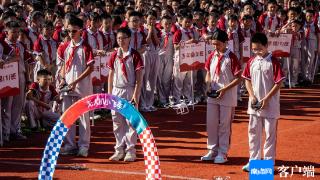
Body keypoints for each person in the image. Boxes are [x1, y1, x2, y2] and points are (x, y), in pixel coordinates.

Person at [241, 32, 285, 171]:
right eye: (254, 49)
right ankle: (253, 161)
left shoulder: (273, 61)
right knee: (253, 133)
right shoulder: (251, 61)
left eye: (260, 49)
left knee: (269, 135)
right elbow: (247, 80)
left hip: (270, 105)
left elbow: (278, 83)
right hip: (254, 104)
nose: (257, 52)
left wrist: (266, 99)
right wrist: (252, 96)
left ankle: (267, 164)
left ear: (266, 45)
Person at [201, 29, 242, 164]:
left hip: (227, 95)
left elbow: (238, 78)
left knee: (224, 125)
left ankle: (223, 152)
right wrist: (207, 85)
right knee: (211, 123)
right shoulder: (212, 55)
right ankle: (212, 150)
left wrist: (225, 89)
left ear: (225, 43)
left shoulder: (232, 57)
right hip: (213, 94)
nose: (215, 47)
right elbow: (208, 72)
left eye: (218, 44)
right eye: (213, 44)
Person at [58, 16, 94, 157]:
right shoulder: (67, 47)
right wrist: (62, 79)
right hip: (68, 87)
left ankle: (84, 146)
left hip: (82, 87)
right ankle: (70, 145)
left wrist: (75, 81)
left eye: (74, 31)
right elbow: (63, 67)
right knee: (68, 117)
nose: (71, 33)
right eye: (69, 31)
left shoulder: (85, 47)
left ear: (81, 30)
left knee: (84, 117)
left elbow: (90, 68)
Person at [107, 27, 144, 162]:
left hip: (130, 90)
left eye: (123, 38)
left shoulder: (135, 55)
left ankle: (130, 151)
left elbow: (139, 76)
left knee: (130, 122)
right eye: (118, 38)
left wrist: (136, 94)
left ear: (129, 39)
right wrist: (110, 93)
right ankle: (119, 150)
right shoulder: (114, 55)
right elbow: (111, 75)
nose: (121, 41)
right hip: (117, 90)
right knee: (117, 121)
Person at [2, 21, 32, 142]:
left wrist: (28, 78)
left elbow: (26, 62)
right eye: (13, 32)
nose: (15, 34)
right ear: (6, 32)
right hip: (8, 77)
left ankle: (15, 130)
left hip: (20, 75)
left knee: (18, 105)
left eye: (17, 32)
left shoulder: (21, 45)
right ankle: (6, 132)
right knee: (7, 105)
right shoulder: (3, 45)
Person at [157, 15, 174, 107]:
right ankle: (161, 99)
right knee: (159, 79)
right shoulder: (159, 34)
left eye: (169, 23)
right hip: (160, 58)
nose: (167, 25)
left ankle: (167, 98)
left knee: (166, 80)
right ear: (161, 24)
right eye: (165, 23)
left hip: (169, 58)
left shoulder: (173, 35)